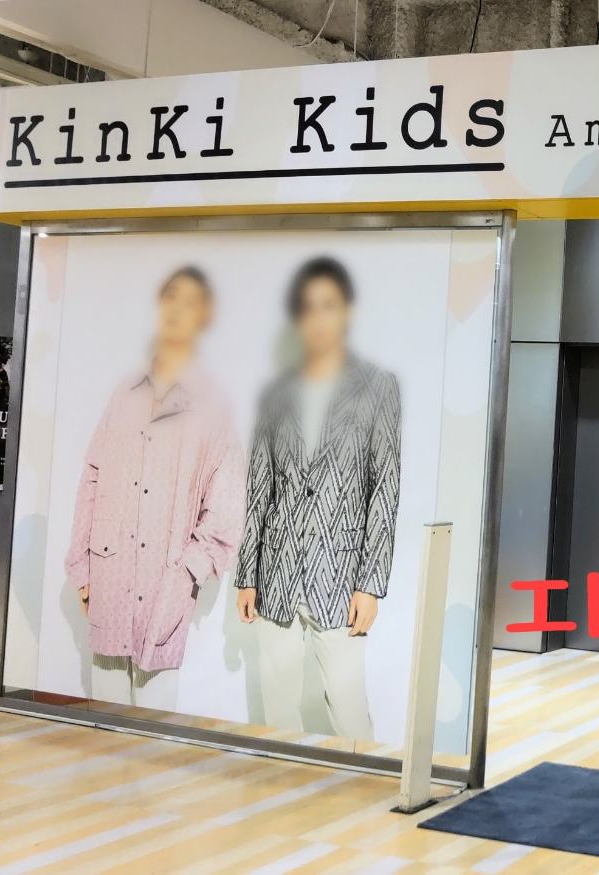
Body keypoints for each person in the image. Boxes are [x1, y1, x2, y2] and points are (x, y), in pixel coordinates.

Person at [233, 256, 401, 740]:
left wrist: (370, 584)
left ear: (347, 311)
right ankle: (284, 785)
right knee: (278, 711)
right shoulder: (275, 394)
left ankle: (362, 783)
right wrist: (247, 574)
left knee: (349, 713)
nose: (318, 318)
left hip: (341, 576)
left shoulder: (378, 387)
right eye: (308, 308)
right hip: (276, 573)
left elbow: (385, 489)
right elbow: (259, 487)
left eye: (329, 305)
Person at [66, 267, 243, 710]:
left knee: (154, 722)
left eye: (190, 301)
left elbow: (225, 511)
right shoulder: (124, 393)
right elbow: (92, 477)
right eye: (171, 296)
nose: (177, 309)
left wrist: (186, 574)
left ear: (204, 316)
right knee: (105, 716)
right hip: (109, 576)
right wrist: (81, 568)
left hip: (166, 586)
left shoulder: (213, 407)